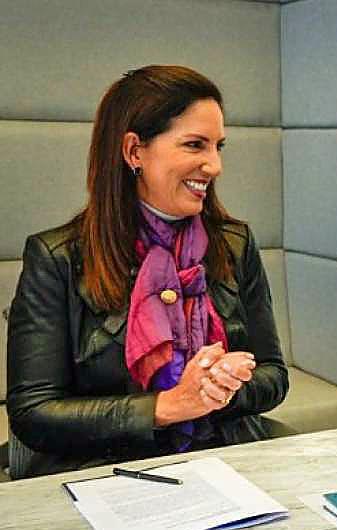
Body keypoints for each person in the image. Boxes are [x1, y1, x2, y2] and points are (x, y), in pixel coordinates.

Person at [6, 65, 289, 479]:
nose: (214, 166)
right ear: (134, 152)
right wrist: (167, 406)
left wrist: (223, 385)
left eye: (218, 147)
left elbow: (273, 375)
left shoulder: (234, 244)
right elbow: (34, 413)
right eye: (195, 145)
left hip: (224, 460)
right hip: (108, 472)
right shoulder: (57, 258)